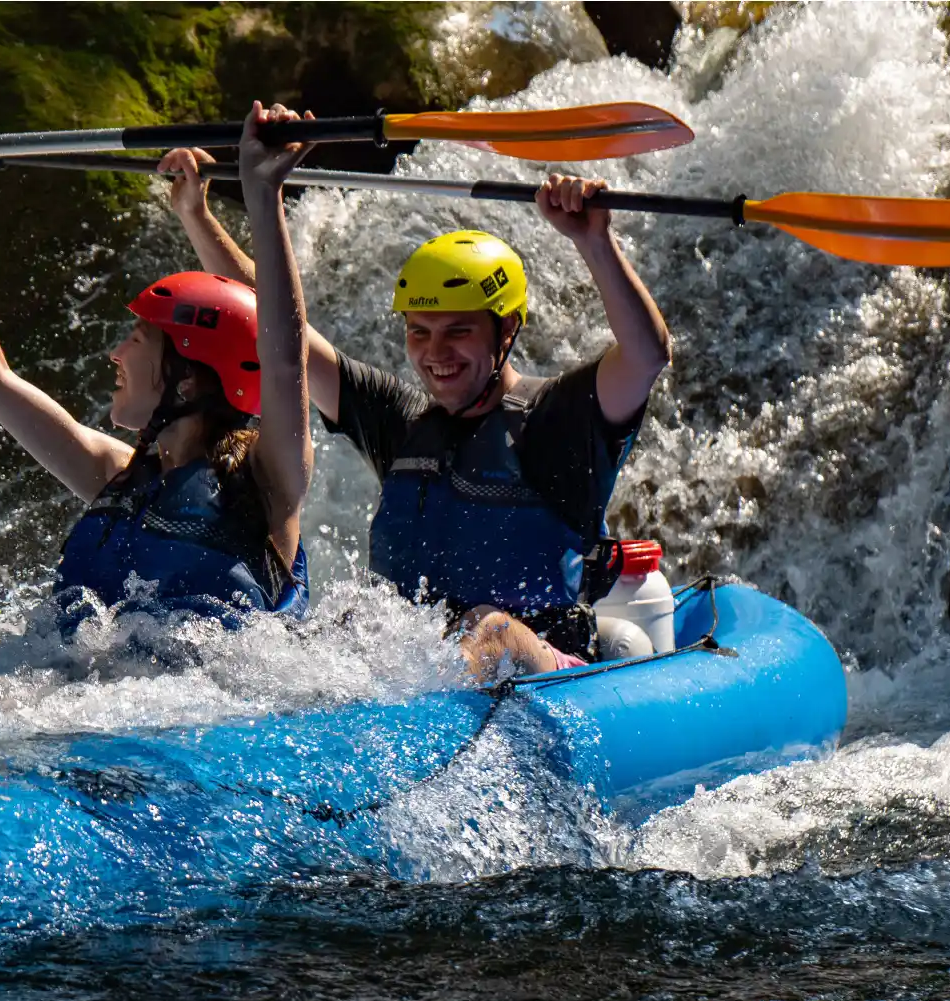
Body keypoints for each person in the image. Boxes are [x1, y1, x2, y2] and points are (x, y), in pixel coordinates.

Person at [159, 140, 670, 679]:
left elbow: (646, 354)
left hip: (549, 669)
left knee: (488, 626)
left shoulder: (557, 418)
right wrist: (197, 215)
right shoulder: (401, 425)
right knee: (351, 620)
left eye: (459, 332)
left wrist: (593, 240)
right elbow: (279, 325)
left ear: (507, 330)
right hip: (425, 675)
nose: (434, 354)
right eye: (419, 333)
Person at [0, 104, 314, 639]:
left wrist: (264, 195)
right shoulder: (118, 474)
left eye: (137, 341)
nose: (115, 355)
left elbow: (285, 362)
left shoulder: (266, 483)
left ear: (187, 380)